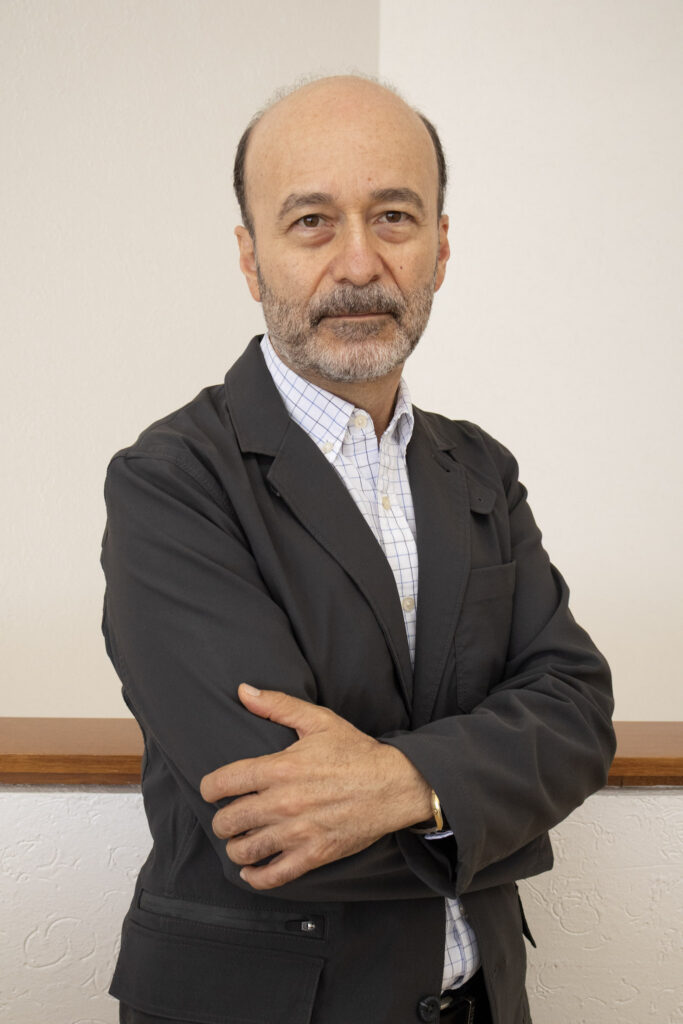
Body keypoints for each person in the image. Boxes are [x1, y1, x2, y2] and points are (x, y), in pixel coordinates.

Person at [101, 75, 615, 1024]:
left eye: (393, 217)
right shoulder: (169, 482)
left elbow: (577, 717)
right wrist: (490, 801)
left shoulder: (481, 468)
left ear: (440, 248)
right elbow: (271, 821)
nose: (358, 263)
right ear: (251, 259)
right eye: (310, 222)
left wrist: (405, 783)